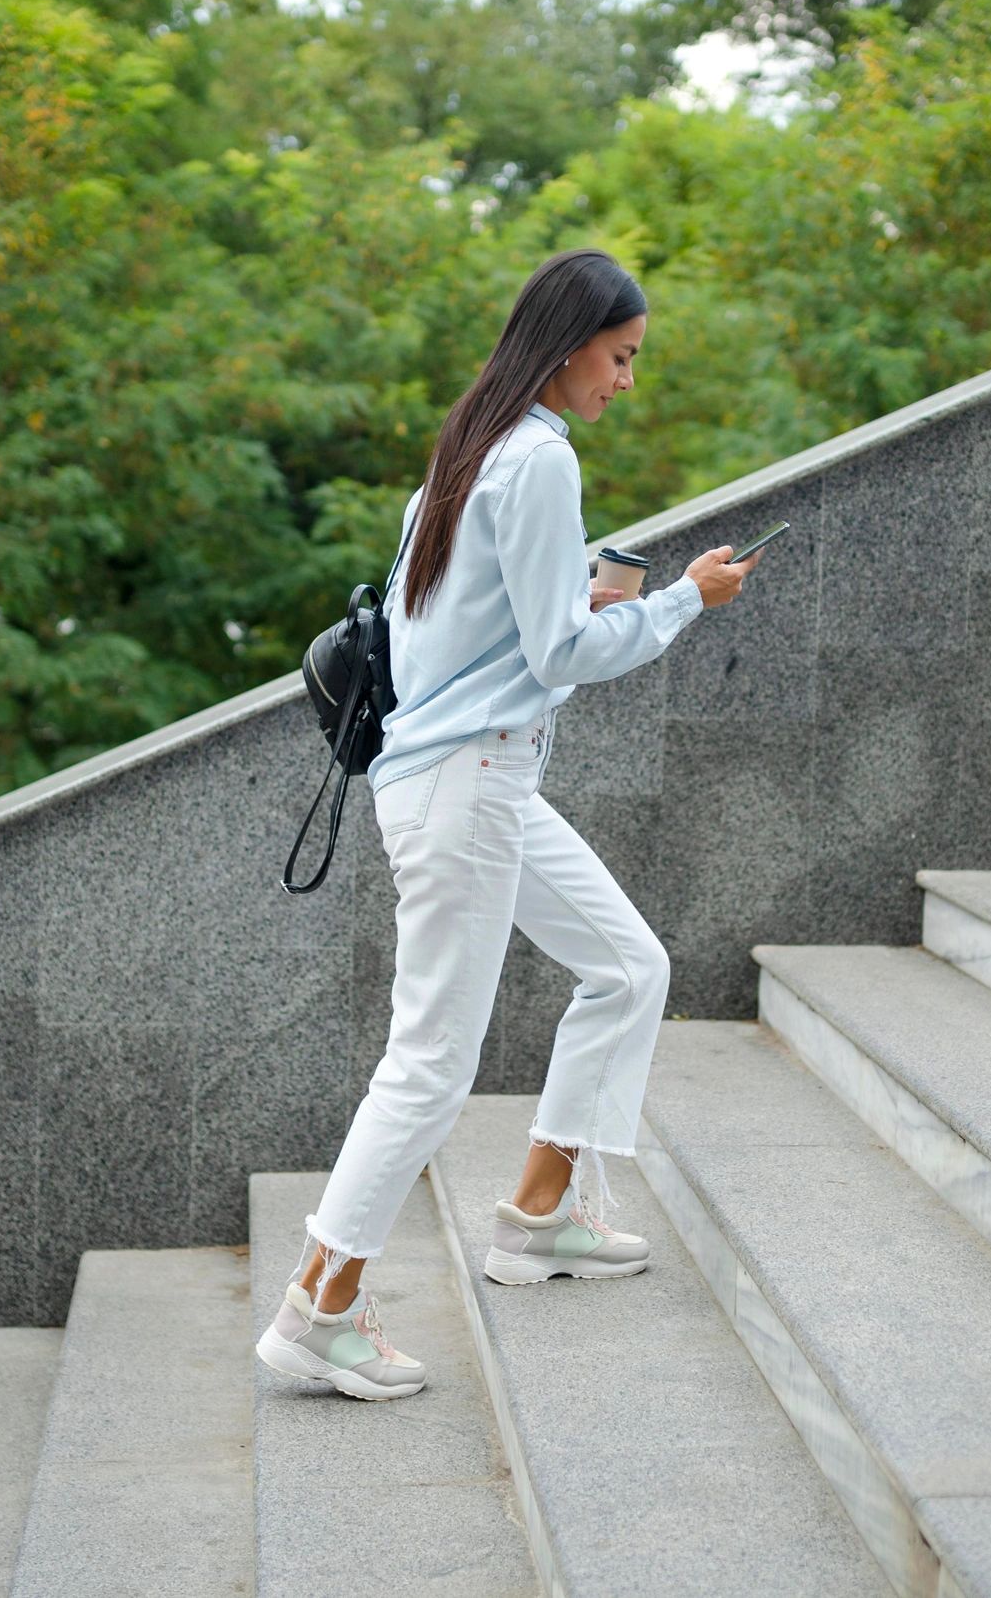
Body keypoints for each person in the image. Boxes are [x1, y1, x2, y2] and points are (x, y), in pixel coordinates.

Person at [253, 246, 762, 1400]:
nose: (626, 381)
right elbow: (557, 656)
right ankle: (319, 1305)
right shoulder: (537, 462)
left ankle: (539, 1215)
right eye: (621, 357)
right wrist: (684, 601)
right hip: (467, 786)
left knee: (628, 967)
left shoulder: (463, 457)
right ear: (570, 343)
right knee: (429, 1065)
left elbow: (462, 634)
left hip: (470, 779)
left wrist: (578, 594)